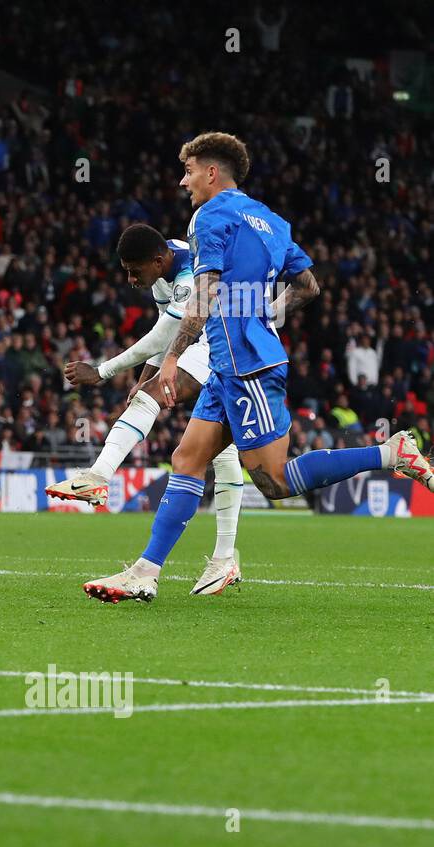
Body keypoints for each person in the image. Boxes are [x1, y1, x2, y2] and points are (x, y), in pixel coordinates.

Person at [84, 132, 434, 603]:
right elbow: (308, 285)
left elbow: (204, 294)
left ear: (212, 173)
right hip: (234, 360)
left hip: (247, 365)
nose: (183, 181)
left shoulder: (208, 216)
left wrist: (170, 359)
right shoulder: (271, 222)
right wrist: (265, 315)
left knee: (274, 480)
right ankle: (145, 572)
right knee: (187, 460)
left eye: (188, 172)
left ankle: (391, 453)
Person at [49, 223, 247, 595]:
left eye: (134, 271)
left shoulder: (189, 275)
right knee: (221, 449)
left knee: (154, 402)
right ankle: (224, 559)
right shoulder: (162, 270)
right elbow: (168, 333)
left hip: (230, 343)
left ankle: (98, 477)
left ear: (158, 261)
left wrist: (103, 371)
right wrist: (145, 375)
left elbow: (164, 335)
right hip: (210, 341)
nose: (130, 279)